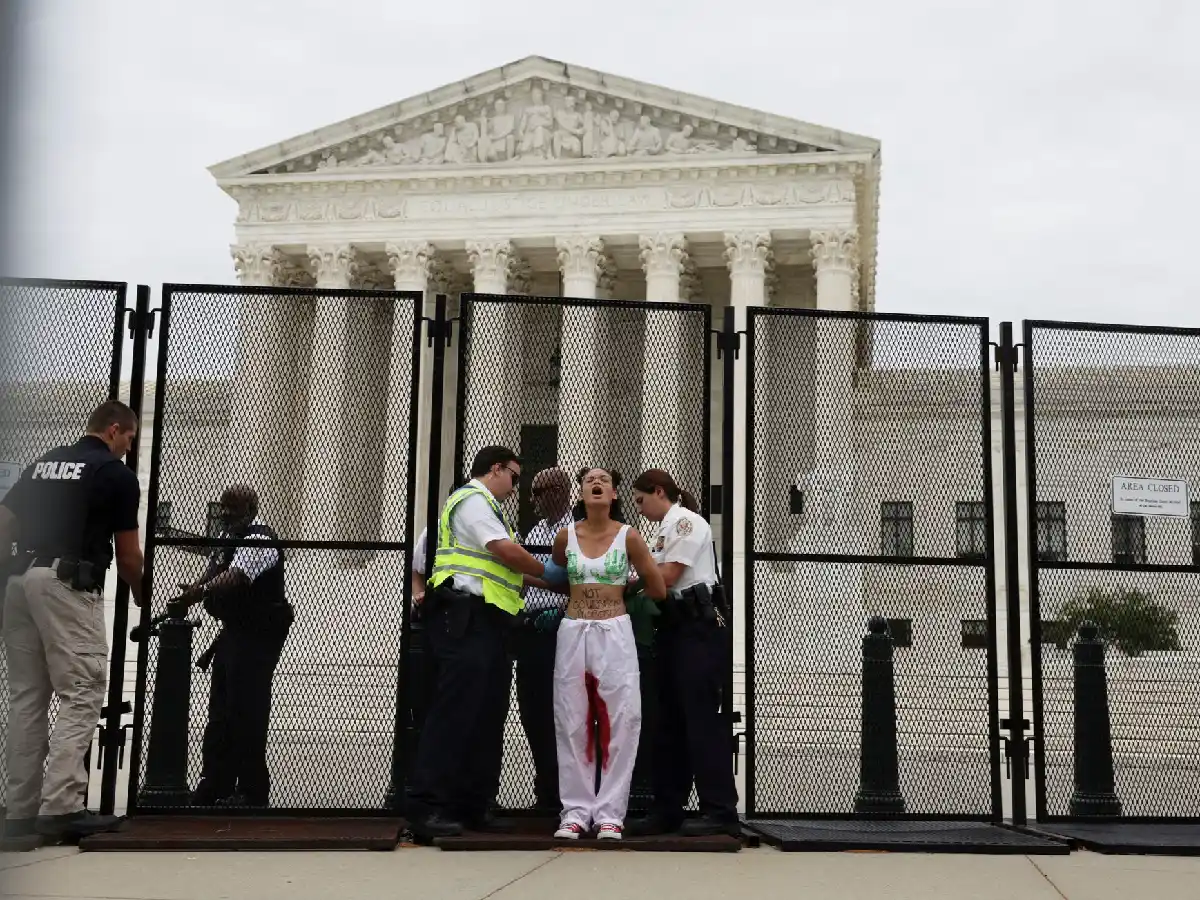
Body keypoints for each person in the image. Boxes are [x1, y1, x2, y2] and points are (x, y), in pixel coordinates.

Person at [406, 445, 568, 841]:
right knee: (456, 713)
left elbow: (503, 566)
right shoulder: (473, 500)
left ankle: (472, 804)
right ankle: (429, 807)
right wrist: (548, 568)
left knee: (486, 714)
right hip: (465, 619)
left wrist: (547, 581)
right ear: (495, 469)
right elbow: (506, 552)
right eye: (514, 476)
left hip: (492, 623)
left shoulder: (490, 511)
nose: (516, 487)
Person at [0, 400, 144, 842]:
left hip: (19, 579)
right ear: (114, 430)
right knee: (81, 690)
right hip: (66, 581)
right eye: (129, 438)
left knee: (27, 696)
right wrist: (142, 592)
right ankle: (61, 807)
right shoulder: (115, 476)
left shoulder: (45, 463)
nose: (128, 447)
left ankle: (18, 812)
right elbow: (128, 554)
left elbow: (5, 520)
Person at [550, 467, 665, 841]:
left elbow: (657, 586)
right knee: (572, 720)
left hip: (615, 631)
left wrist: (624, 593)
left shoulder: (628, 537)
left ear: (614, 493)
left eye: (603, 481)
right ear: (582, 493)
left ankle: (610, 814)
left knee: (621, 718)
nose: (596, 485)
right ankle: (576, 812)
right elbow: (557, 577)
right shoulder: (566, 536)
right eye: (589, 481)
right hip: (574, 631)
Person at [627, 468, 740, 837]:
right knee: (669, 723)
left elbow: (669, 575)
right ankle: (668, 807)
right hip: (675, 628)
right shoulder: (663, 529)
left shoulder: (686, 522)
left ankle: (719, 809)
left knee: (702, 720)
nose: (639, 509)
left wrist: (626, 581)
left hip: (698, 627)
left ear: (660, 492)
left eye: (642, 500)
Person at [177, 484, 294, 808]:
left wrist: (200, 593)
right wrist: (197, 589)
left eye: (235, 508)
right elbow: (216, 571)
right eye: (224, 507)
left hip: (258, 635)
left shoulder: (259, 539)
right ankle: (215, 783)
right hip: (234, 633)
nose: (227, 514)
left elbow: (237, 577)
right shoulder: (228, 538)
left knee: (247, 711)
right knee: (221, 713)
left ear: (251, 510)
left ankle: (251, 791)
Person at [513, 467, 574, 813]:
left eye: (539, 492)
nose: (533, 501)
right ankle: (546, 789)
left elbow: (566, 581)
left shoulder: (573, 529)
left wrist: (526, 576)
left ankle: (562, 793)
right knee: (532, 711)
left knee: (560, 713)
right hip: (532, 627)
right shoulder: (538, 530)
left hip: (560, 627)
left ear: (559, 492)